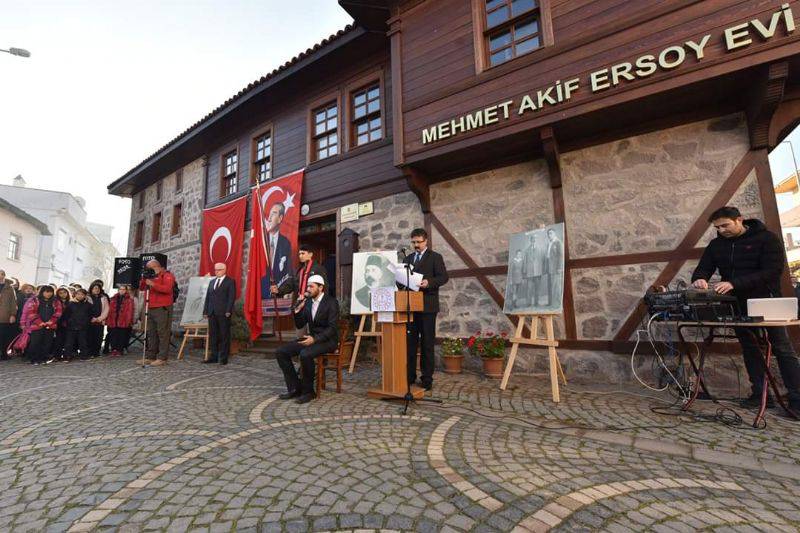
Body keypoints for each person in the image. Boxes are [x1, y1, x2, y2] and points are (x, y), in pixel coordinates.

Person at [692, 206, 800, 412]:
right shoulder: (716, 245)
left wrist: (735, 283)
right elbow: (703, 268)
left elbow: (772, 271)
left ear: (739, 220)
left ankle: (797, 398)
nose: (721, 230)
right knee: (750, 348)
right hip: (736, 305)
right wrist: (699, 279)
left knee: (782, 348)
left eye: (725, 225)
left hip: (767, 301)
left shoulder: (767, 239)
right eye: (717, 227)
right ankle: (760, 395)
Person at [275, 275, 339, 404]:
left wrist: (315, 339)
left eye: (311, 286)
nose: (308, 289)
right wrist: (298, 311)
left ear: (321, 288)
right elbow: (300, 325)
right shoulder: (308, 302)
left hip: (327, 341)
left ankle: (309, 392)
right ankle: (295, 388)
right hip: (311, 338)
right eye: (308, 286)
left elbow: (332, 328)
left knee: (305, 354)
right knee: (281, 351)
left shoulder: (331, 302)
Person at [403, 228, 449, 391]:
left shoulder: (435, 257)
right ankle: (409, 375)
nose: (416, 245)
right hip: (411, 306)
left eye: (419, 242)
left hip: (428, 306)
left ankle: (427, 378)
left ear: (426, 241)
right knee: (410, 343)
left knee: (427, 343)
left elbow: (443, 277)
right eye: (413, 242)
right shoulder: (407, 258)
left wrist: (428, 282)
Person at [138, 259, 176, 366]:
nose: (148, 270)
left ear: (156, 266)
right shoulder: (149, 276)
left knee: (163, 333)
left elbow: (167, 289)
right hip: (149, 306)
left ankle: (162, 357)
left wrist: (153, 284)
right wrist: (143, 279)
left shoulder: (167, 275)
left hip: (162, 307)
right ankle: (151, 356)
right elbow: (141, 288)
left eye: (149, 268)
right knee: (151, 333)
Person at [203, 263, 236, 365]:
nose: (216, 271)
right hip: (212, 312)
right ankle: (213, 356)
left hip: (223, 313)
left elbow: (231, 297)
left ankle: (223, 358)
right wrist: (205, 311)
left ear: (224, 270)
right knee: (213, 335)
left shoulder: (230, 282)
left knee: (224, 335)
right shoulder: (212, 282)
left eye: (219, 270)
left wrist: (228, 310)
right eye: (215, 270)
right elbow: (208, 297)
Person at [22, 285, 63, 365]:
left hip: (50, 326)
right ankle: (34, 359)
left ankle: (43, 359)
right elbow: (31, 313)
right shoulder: (34, 300)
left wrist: (51, 321)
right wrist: (40, 322)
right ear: (42, 292)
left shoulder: (56, 301)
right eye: (46, 292)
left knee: (47, 343)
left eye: (50, 292)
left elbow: (58, 313)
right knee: (35, 343)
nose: (49, 294)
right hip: (36, 326)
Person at [261, 203, 292, 298]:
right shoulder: (261, 240)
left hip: (277, 294)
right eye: (268, 214)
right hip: (260, 291)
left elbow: (287, 271)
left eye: (273, 214)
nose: (269, 218)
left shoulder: (285, 243)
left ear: (280, 218)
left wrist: (281, 290)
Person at [63, 288, 92, 361]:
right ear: (75, 295)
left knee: (83, 343)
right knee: (69, 343)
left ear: (85, 296)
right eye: (78, 294)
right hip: (71, 327)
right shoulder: (70, 304)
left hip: (83, 327)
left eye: (82, 294)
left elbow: (90, 315)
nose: (80, 296)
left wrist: (86, 323)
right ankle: (67, 356)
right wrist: (69, 322)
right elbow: (66, 315)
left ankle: (84, 356)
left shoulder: (88, 305)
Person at [107, 285, 135, 356]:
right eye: (120, 289)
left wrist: (129, 321)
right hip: (113, 319)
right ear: (118, 290)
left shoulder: (129, 300)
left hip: (123, 320)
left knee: (121, 336)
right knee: (113, 335)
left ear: (126, 291)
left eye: (123, 289)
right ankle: (114, 349)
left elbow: (130, 311)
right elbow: (109, 310)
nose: (122, 291)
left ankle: (120, 350)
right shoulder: (113, 298)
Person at [523, 232, 546, 307]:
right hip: (529, 273)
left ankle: (536, 302)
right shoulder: (526, 250)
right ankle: (528, 303)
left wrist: (543, 270)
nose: (534, 240)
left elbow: (543, 260)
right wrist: (524, 272)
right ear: (531, 240)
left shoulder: (541, 249)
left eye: (535, 239)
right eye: (532, 239)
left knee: (537, 288)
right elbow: (525, 261)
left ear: (536, 240)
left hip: (538, 272)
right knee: (529, 288)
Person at [87, 282, 109, 358]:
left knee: (99, 337)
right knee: (90, 337)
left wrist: (99, 319)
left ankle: (96, 352)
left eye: (98, 288)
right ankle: (90, 352)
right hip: (90, 321)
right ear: (91, 289)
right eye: (95, 288)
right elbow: (86, 310)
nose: (96, 290)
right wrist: (92, 318)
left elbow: (106, 309)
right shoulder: (87, 298)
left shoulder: (104, 298)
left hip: (100, 321)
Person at [0, 270, 18, 360]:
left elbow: (13, 302)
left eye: (1, 274)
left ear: (4, 275)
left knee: (4, 336)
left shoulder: (9, 288)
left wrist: (13, 314)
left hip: (5, 316)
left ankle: (4, 354)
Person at [52, 287, 72, 361]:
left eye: (64, 292)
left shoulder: (71, 302)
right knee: (58, 340)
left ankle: (67, 355)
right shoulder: (55, 302)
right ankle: (57, 356)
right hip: (59, 324)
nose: (63, 294)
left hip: (69, 324)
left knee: (68, 341)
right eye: (60, 293)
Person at [546, 228, 564, 307]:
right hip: (550, 268)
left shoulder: (558, 242)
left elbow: (560, 256)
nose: (549, 235)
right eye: (548, 234)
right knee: (551, 286)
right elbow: (548, 256)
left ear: (554, 234)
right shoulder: (549, 243)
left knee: (556, 286)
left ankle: (556, 304)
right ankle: (551, 303)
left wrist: (559, 268)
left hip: (556, 268)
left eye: (551, 233)